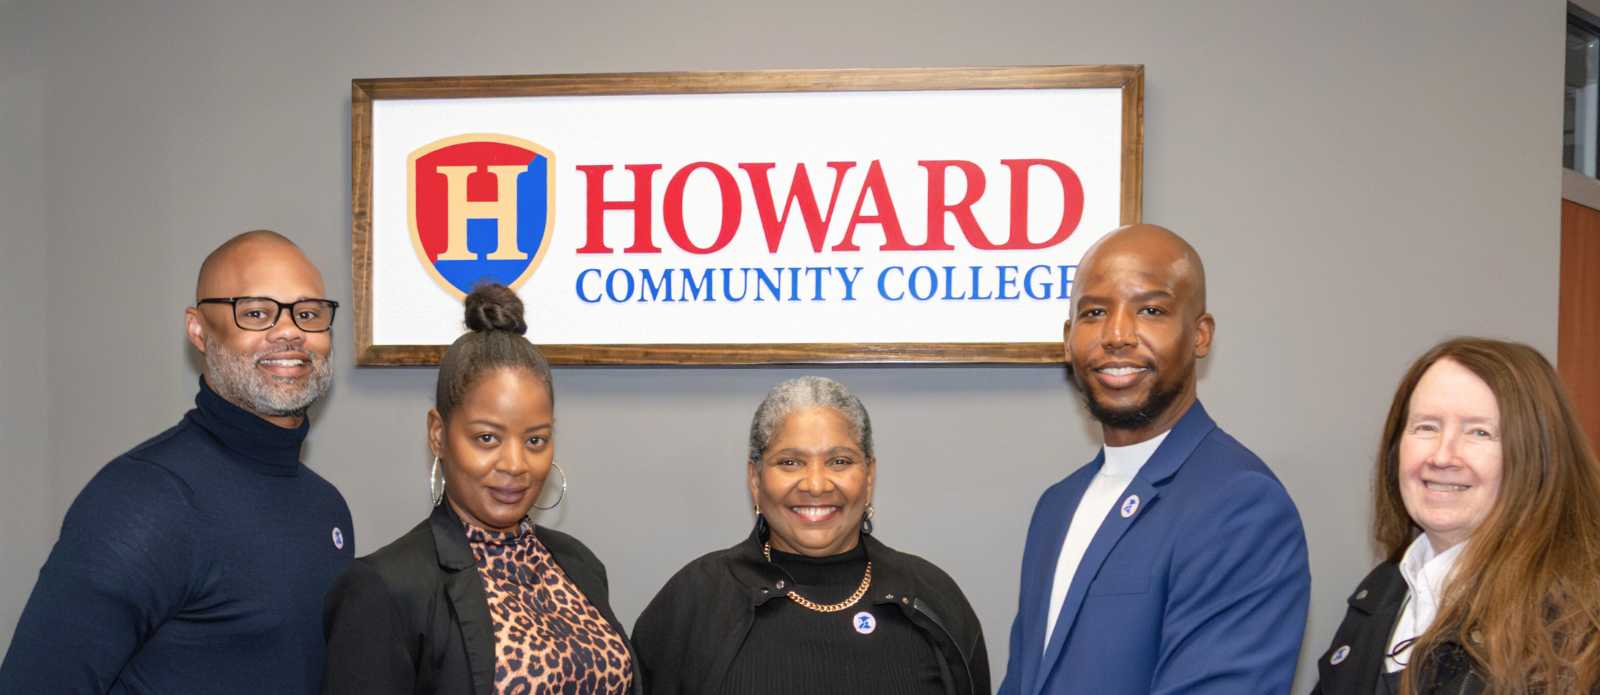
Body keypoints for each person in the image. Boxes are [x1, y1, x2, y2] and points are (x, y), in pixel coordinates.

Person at [0, 231, 352, 695]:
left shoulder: (326, 506)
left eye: (307, 314)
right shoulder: (145, 499)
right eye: (255, 312)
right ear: (199, 331)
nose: (288, 331)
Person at [999, 224, 1310, 695]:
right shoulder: (1056, 506)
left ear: (1200, 334)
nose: (1117, 335)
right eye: (1095, 312)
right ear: (1068, 338)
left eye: (1150, 310)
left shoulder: (1241, 503)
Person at [321, 281, 638, 695]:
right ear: (438, 434)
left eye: (535, 440)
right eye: (487, 438)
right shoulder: (387, 588)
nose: (515, 464)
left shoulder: (578, 564)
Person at [632, 375, 990, 695]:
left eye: (839, 462)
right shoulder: (694, 599)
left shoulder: (933, 596)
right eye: (790, 462)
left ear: (868, 477)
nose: (816, 485)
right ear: (756, 480)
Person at [1311, 338, 1600, 695]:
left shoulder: (1574, 625)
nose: (1443, 456)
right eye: (1427, 427)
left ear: (1539, 456)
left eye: (1479, 432)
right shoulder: (1383, 589)